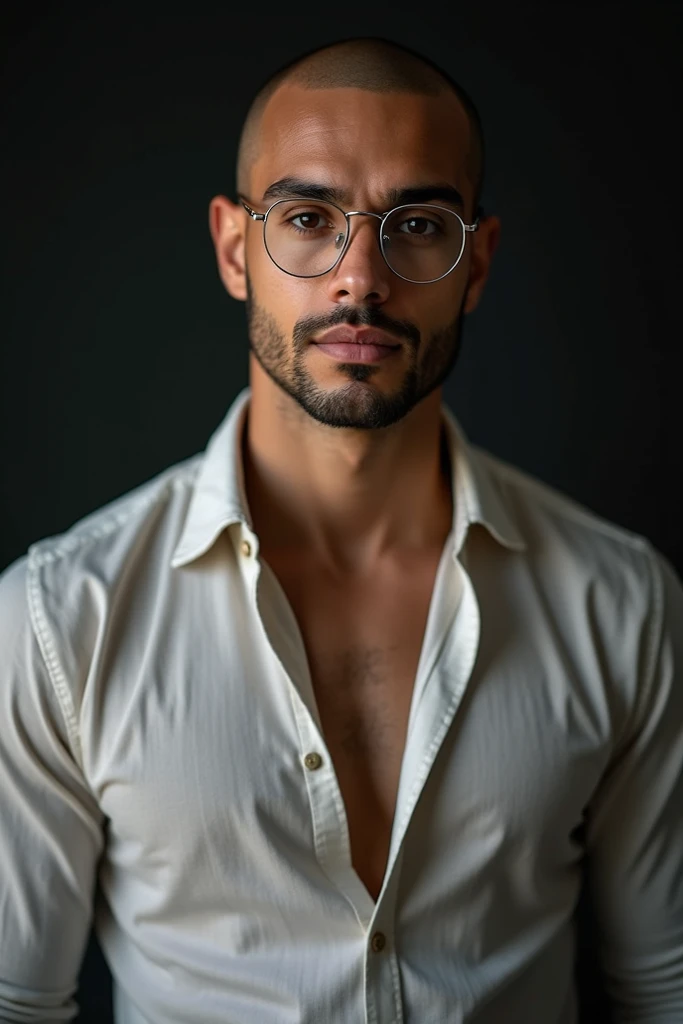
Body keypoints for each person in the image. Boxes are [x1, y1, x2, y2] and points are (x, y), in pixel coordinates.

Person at [0, 34, 681, 1024]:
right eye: (308, 218)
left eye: (416, 223)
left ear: (475, 263)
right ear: (236, 249)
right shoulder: (58, 625)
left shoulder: (622, 605)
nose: (359, 276)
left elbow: (663, 991)